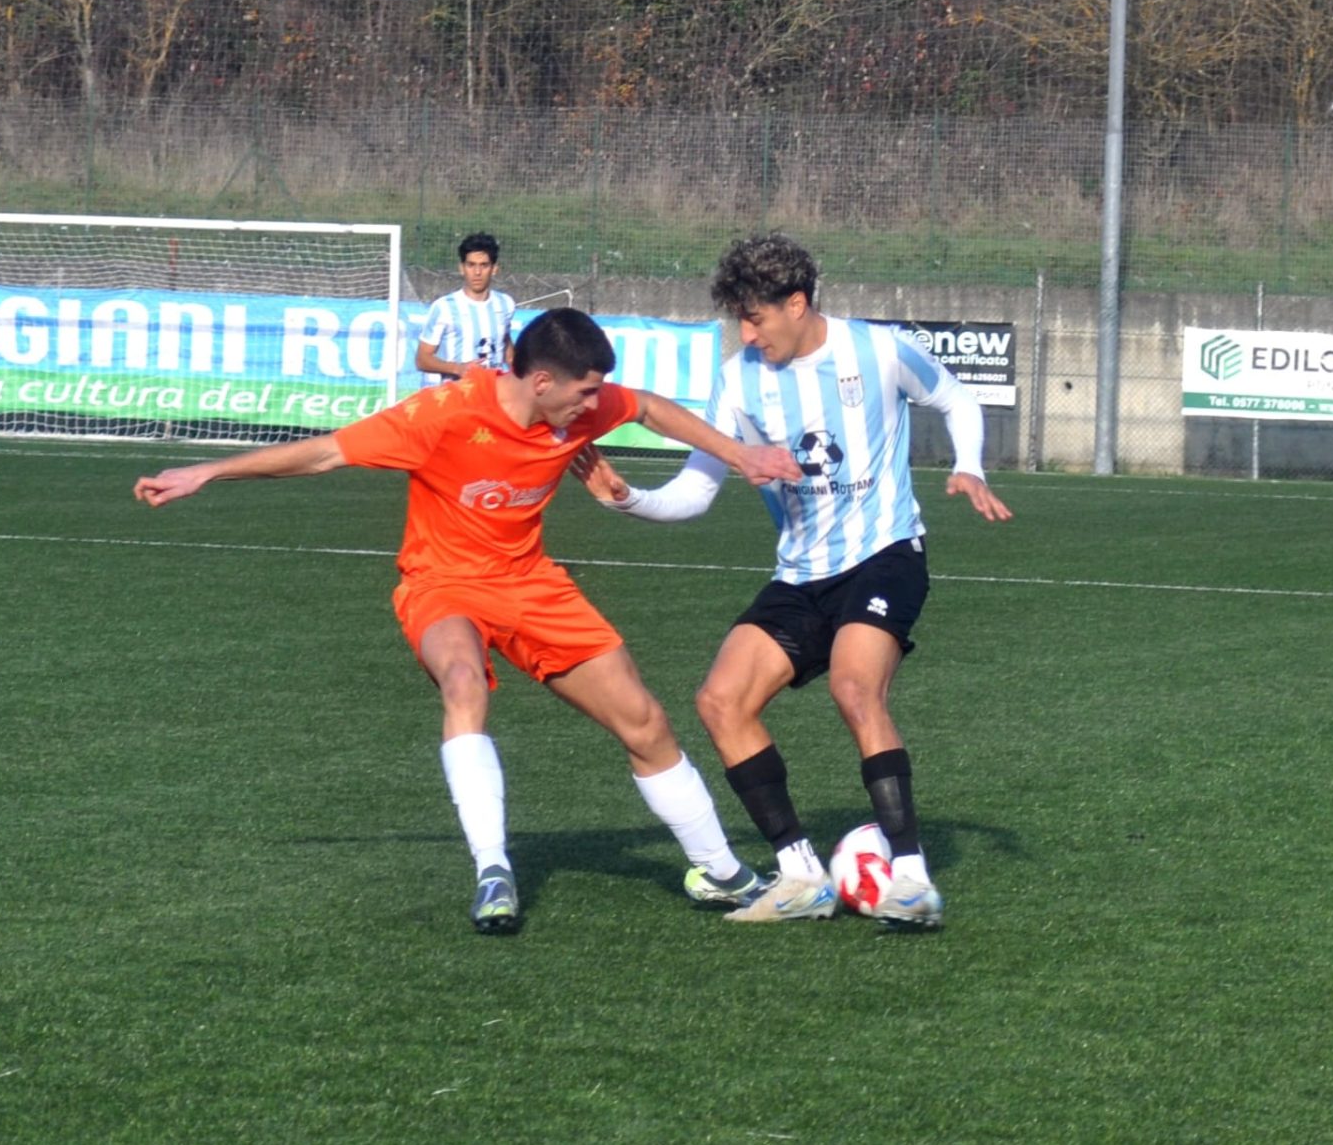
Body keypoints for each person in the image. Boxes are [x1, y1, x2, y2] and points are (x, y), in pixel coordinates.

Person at [136, 307, 803, 935]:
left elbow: (653, 409)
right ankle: (494, 869)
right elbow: (327, 453)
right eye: (585, 390)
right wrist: (209, 470)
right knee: (463, 681)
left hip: (531, 583)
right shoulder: (443, 415)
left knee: (645, 721)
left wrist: (741, 456)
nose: (597, 404)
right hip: (442, 583)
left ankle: (724, 873)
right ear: (541, 380)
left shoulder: (578, 409)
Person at [570, 234, 1013, 931]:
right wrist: (629, 499)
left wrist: (971, 464)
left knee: (853, 685)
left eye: (756, 318)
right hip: (800, 571)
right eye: (739, 321)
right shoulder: (738, 378)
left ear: (797, 303)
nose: (747, 334)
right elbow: (697, 490)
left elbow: (957, 399)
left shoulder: (878, 350)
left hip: (884, 552)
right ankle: (802, 873)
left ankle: (912, 878)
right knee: (720, 700)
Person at [415, 232, 516, 379]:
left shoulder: (505, 304)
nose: (477, 272)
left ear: (494, 269)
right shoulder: (444, 308)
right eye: (471, 265)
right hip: (458, 396)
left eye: (484, 265)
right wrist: (458, 368)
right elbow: (422, 360)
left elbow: (505, 345)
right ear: (461, 268)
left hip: (492, 396)